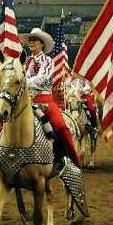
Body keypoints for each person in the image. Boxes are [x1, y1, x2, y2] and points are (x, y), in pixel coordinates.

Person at [21, 27, 81, 166]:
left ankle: (71, 160)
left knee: (61, 127)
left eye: (34, 40)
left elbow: (43, 78)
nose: (31, 42)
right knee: (4, 123)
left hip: (44, 100)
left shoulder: (48, 61)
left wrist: (23, 82)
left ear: (42, 44)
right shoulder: (26, 61)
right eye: (30, 40)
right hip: (27, 100)